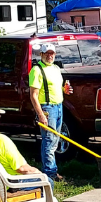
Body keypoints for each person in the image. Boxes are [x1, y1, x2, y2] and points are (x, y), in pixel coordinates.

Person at [29, 42, 72, 182]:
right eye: (47, 53)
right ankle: (49, 172)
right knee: (49, 140)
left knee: (55, 140)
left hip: (59, 106)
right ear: (41, 54)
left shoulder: (56, 69)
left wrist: (65, 90)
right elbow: (33, 95)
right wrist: (40, 114)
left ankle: (51, 170)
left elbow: (59, 87)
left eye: (52, 53)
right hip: (47, 109)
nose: (50, 56)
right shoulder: (36, 70)